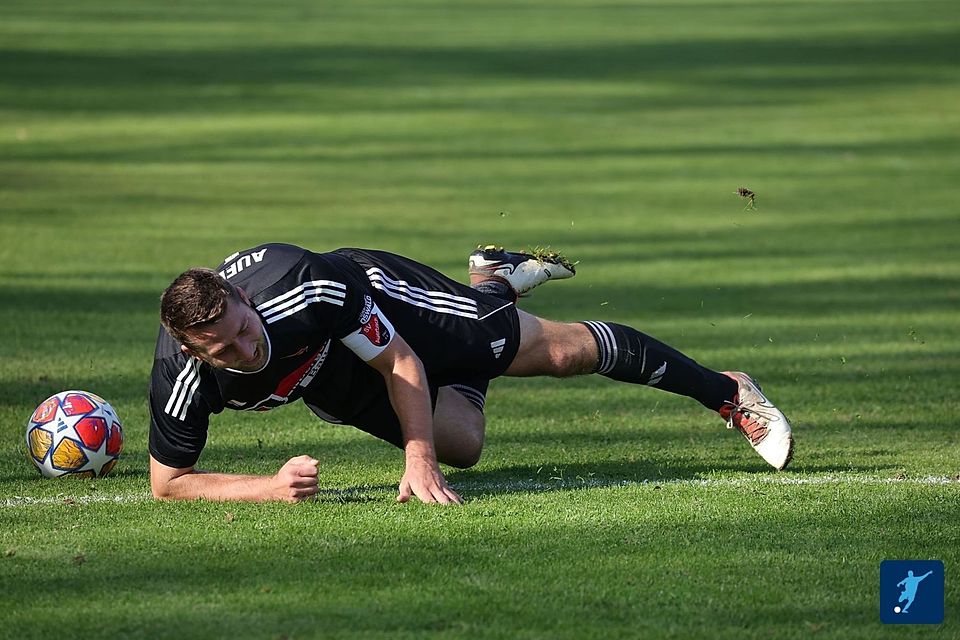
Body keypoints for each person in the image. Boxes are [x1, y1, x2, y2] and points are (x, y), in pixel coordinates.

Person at [149, 243, 794, 504]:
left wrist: (416, 458)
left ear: (243, 301)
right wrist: (268, 487)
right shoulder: (181, 377)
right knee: (466, 444)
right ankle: (493, 283)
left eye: (244, 328)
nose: (244, 349)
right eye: (224, 351)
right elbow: (167, 483)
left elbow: (399, 357)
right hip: (324, 373)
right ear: (193, 352)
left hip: (380, 301)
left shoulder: (309, 291)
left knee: (563, 354)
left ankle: (728, 392)